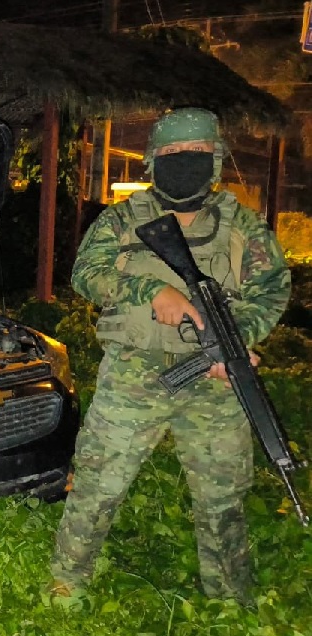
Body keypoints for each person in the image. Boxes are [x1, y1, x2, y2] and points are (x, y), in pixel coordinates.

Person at [49, 107, 291, 603]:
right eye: (174, 153)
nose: (187, 161)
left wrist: (237, 339)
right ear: (153, 161)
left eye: (199, 153)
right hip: (133, 374)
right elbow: (85, 272)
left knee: (222, 495)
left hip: (216, 381)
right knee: (99, 480)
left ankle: (229, 598)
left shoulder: (242, 225)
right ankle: (67, 580)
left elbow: (270, 290)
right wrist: (147, 291)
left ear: (218, 160)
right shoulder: (123, 218)